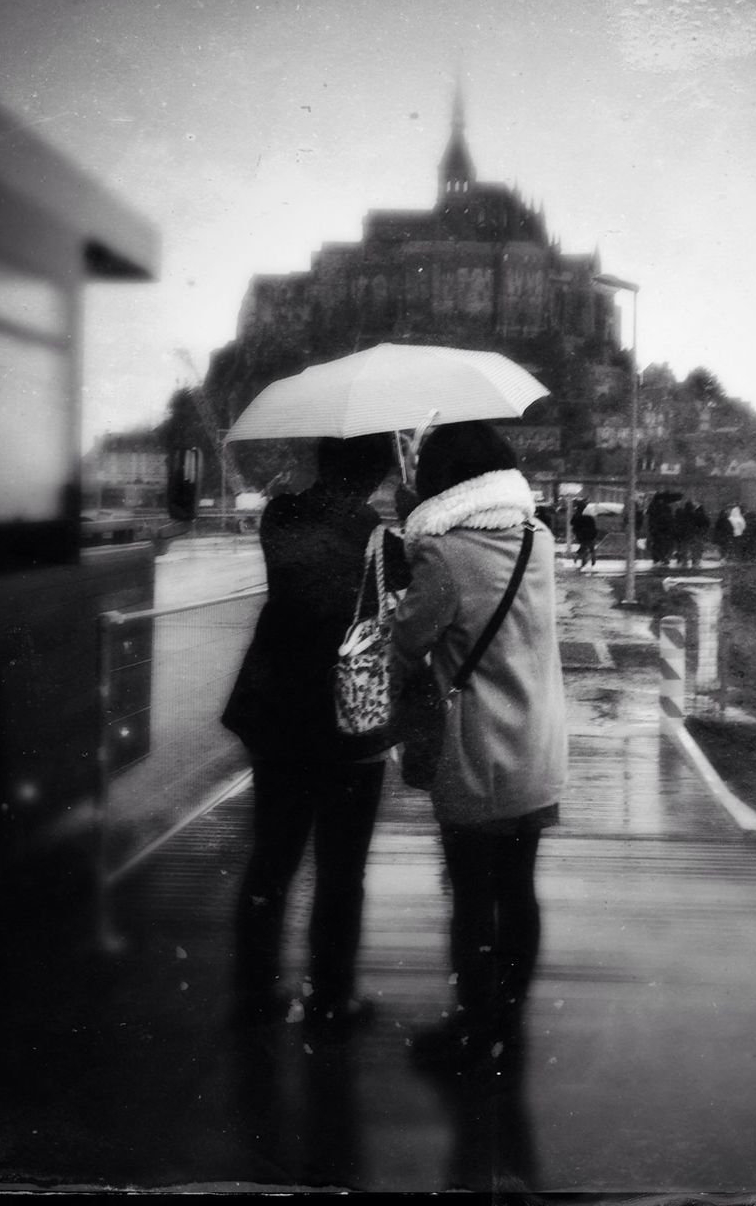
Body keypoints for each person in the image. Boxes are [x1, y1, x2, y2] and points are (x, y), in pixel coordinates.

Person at [392, 422, 568, 1068]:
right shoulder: (539, 538)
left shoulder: (443, 555)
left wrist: (411, 548)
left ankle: (474, 1027)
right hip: (537, 747)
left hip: (476, 752)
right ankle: (508, 1021)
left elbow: (407, 642)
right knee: (519, 889)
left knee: (472, 897)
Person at [221, 433, 405, 1036]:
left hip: (276, 712)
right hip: (348, 718)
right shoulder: (381, 539)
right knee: (340, 868)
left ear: (324, 460)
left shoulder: (280, 516)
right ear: (377, 473)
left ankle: (255, 990)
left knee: (272, 858)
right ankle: (332, 996)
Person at [570, 499, 598, 570]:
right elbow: (593, 524)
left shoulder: (577, 515)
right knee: (590, 547)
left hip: (581, 535)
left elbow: (572, 523)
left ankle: (579, 559)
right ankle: (590, 561)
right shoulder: (589, 514)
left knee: (584, 547)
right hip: (591, 534)